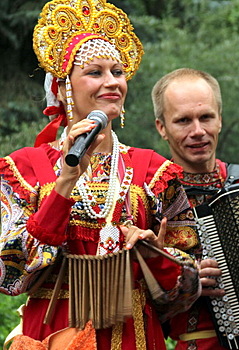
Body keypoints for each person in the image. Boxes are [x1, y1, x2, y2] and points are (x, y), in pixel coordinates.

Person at [0, 0, 201, 349]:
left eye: (118, 72)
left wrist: (156, 255)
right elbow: (10, 273)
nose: (112, 83)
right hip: (56, 331)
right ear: (65, 87)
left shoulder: (153, 170)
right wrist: (64, 182)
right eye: (95, 72)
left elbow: (186, 289)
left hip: (134, 333)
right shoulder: (24, 168)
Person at [152, 68, 239, 350]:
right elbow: (138, 299)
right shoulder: (153, 198)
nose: (198, 131)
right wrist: (182, 281)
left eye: (206, 117)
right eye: (183, 121)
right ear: (162, 127)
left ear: (220, 119)